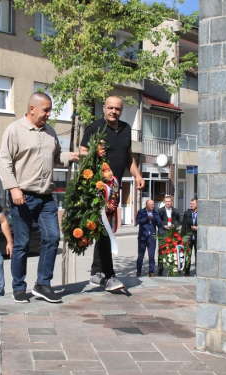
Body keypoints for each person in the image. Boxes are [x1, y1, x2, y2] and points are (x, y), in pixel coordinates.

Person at [0, 92, 79, 303]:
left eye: (50, 110)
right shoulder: (14, 130)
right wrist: (13, 188)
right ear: (32, 108)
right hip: (22, 196)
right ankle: (18, 286)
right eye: (46, 110)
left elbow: (56, 158)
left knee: (52, 237)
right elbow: (4, 162)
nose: (49, 114)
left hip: (45, 197)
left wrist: (72, 156)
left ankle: (43, 284)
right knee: (22, 243)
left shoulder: (50, 131)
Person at [79, 95, 145, 290]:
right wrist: (94, 159)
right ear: (104, 108)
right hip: (99, 188)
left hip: (114, 189)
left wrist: (138, 175)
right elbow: (82, 150)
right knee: (105, 230)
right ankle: (109, 276)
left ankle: (96, 272)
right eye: (110, 108)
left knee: (103, 230)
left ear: (121, 111)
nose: (113, 112)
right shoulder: (94, 128)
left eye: (117, 109)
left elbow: (128, 156)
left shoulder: (125, 129)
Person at [135, 199, 164, 277]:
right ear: (147, 205)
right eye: (152, 205)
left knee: (151, 256)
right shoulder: (141, 212)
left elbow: (159, 224)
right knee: (140, 256)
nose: (153, 206)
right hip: (142, 237)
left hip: (152, 237)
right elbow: (137, 222)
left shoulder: (155, 213)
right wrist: (147, 218)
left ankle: (151, 271)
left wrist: (161, 232)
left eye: (153, 204)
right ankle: (139, 271)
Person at [157, 195, 181, 276]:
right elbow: (158, 221)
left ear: (172, 202)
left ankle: (171, 269)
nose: (168, 203)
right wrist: (163, 225)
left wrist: (175, 225)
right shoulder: (160, 211)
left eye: (169, 201)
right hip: (163, 233)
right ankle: (160, 270)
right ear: (164, 202)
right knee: (161, 251)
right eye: (166, 201)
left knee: (171, 251)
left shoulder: (175, 211)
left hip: (172, 233)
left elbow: (179, 221)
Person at [182, 197, 198, 277]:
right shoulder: (187, 213)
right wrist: (183, 237)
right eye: (191, 204)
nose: (191, 205)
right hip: (189, 237)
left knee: (197, 255)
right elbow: (183, 225)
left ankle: (197, 271)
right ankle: (187, 271)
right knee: (188, 254)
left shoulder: (201, 213)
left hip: (197, 238)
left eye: (193, 204)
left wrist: (198, 228)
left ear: (197, 204)